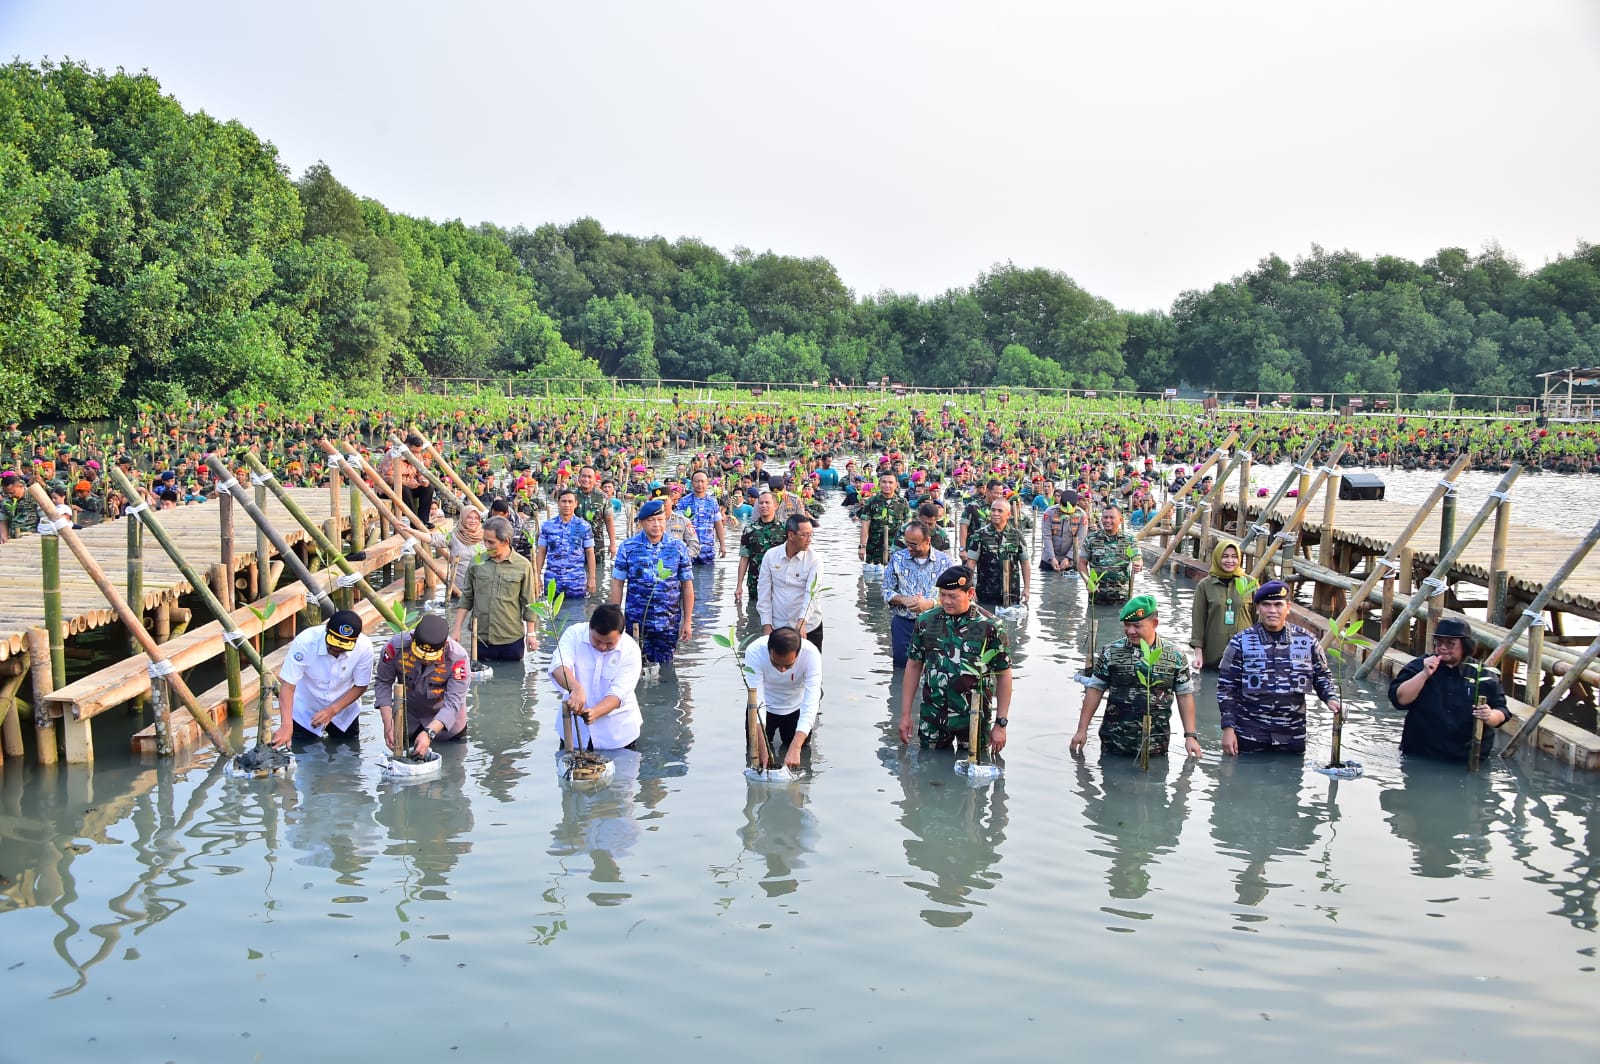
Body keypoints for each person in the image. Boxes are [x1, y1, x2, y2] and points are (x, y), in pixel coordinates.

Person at [897, 565, 1014, 755]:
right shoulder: (926, 621)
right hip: (932, 716)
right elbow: (913, 666)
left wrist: (1001, 723)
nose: (946, 601)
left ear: (970, 593)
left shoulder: (989, 626)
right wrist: (905, 715)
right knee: (929, 767)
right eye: (942, 595)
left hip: (973, 719)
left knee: (975, 773)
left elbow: (1004, 675)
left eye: (953, 596)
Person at [1216, 580, 1339, 755]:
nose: (1272, 610)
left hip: (1292, 733)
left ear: (1288, 607)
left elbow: (1321, 676)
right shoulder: (1240, 642)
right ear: (1257, 608)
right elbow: (1226, 687)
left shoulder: (1306, 641)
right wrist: (1228, 728)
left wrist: (1331, 699)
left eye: (1278, 605)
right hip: (1250, 732)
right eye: (1266, 605)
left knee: (1291, 779)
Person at [1071, 596, 1203, 759]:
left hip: (1156, 745)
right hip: (1114, 742)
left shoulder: (1174, 656)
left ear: (1154, 624)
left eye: (1137, 626)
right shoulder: (1111, 652)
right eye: (1127, 625)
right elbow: (1095, 691)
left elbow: (1184, 696)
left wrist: (1190, 736)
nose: (1130, 631)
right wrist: (1081, 730)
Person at [1388, 616, 1512, 762]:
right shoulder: (1419, 666)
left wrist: (1490, 716)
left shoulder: (1482, 674)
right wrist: (1424, 675)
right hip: (1420, 754)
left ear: (1465, 646)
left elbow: (1502, 711)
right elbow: (1399, 699)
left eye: (1450, 643)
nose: (1443, 647)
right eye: (1438, 642)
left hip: (1465, 757)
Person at [609, 498, 695, 665]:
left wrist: (688, 621)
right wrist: (615, 619)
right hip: (636, 621)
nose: (657, 525)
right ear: (641, 523)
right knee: (634, 666)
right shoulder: (628, 547)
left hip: (668, 621)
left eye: (660, 520)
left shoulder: (678, 547)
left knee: (666, 666)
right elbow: (618, 584)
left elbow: (687, 585)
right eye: (651, 520)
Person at [548, 603, 643, 751]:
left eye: (609, 643)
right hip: (573, 733)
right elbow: (558, 666)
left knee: (619, 773)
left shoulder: (631, 651)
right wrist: (575, 687)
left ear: (621, 634)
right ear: (590, 628)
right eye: (597, 641)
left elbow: (618, 694)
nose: (602, 647)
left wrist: (594, 712)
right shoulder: (574, 634)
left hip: (617, 735)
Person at [373, 613, 470, 757]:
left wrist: (429, 733)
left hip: (446, 729)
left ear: (445, 645)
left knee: (450, 772)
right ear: (412, 639)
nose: (426, 661)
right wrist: (388, 724)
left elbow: (453, 703)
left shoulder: (457, 658)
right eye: (419, 654)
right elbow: (383, 682)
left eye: (432, 657)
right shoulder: (396, 647)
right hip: (409, 724)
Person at [273, 609, 374, 745]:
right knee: (304, 757)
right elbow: (288, 685)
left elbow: (361, 685)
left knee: (349, 759)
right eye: (333, 643)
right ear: (326, 630)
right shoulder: (305, 642)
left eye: (343, 645)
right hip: (306, 711)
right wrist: (286, 724)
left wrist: (333, 710)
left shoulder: (365, 647)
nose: (337, 648)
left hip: (344, 711)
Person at [451, 516, 540, 661]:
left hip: (511, 638)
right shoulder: (476, 563)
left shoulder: (523, 565)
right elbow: (467, 597)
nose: (486, 545)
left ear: (505, 541)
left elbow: (529, 603)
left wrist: (531, 634)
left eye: (491, 542)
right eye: (484, 541)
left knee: (513, 680)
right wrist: (456, 629)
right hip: (480, 638)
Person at [744, 626, 823, 770]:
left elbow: (811, 702)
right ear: (768, 651)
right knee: (756, 757)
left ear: (798, 655)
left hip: (795, 707)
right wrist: (762, 746)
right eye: (775, 663)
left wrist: (796, 746)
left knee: (800, 755)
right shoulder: (754, 651)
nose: (781, 670)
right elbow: (757, 699)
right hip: (764, 708)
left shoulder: (811, 654)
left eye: (788, 665)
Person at [882, 521, 957, 669]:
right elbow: (886, 591)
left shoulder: (945, 562)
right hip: (904, 623)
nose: (909, 548)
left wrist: (930, 604)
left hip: (937, 624)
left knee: (936, 668)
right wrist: (904, 600)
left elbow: (956, 597)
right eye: (907, 543)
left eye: (914, 544)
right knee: (902, 668)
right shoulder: (897, 559)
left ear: (927, 541)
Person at [758, 513, 824, 649]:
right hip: (778, 626)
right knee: (780, 668)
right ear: (791, 535)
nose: (809, 539)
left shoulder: (814, 560)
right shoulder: (771, 556)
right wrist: (766, 624)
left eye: (811, 534)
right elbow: (764, 591)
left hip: (808, 626)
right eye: (805, 535)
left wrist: (802, 622)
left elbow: (812, 594)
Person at [1189, 541, 1255, 669]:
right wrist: (1198, 653)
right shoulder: (1205, 585)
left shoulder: (1249, 583)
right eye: (1225, 556)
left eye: (1234, 556)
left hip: (1245, 656)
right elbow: (1198, 620)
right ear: (1217, 557)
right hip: (1213, 656)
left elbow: (1258, 618)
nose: (1230, 560)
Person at [964, 498, 1029, 608]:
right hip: (986, 593)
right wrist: (970, 588)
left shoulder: (1016, 535)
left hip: (1011, 593)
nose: (995, 513)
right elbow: (970, 564)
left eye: (1000, 511)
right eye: (993, 510)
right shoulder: (979, 535)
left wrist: (1027, 588)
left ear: (1008, 515)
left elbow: (1025, 563)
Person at [535, 487, 597, 599]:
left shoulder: (584, 526)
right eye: (563, 501)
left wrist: (592, 578)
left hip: (576, 581)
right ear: (558, 503)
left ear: (576, 504)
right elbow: (541, 552)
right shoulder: (547, 526)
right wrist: (537, 575)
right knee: (552, 613)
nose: (567, 505)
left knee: (577, 613)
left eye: (570, 502)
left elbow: (590, 553)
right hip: (552, 580)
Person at [1078, 503, 1142, 605]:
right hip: (1097, 596)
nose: (1108, 520)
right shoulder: (1091, 539)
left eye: (1112, 517)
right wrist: (1088, 582)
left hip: (1122, 597)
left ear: (1120, 520)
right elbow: (1081, 563)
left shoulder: (1129, 539)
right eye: (1105, 517)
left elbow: (1137, 557)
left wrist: (1138, 564)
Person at [735, 490, 785, 606]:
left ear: (776, 506)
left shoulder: (785, 529)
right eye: (761, 503)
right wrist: (739, 586)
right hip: (755, 583)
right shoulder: (749, 530)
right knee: (753, 616)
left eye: (767, 503)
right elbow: (744, 558)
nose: (763, 506)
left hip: (779, 583)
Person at [858, 473, 910, 567]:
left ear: (896, 484)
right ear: (879, 484)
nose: (887, 485)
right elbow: (865, 525)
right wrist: (862, 546)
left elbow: (908, 524)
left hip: (896, 548)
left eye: (890, 482)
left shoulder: (902, 502)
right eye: (884, 482)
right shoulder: (871, 502)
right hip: (874, 548)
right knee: (873, 578)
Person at [682, 470, 726, 565]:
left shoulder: (712, 502)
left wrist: (722, 544)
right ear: (692, 483)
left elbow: (718, 523)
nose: (699, 484)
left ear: (707, 483)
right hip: (689, 549)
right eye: (696, 481)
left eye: (702, 481)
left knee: (708, 578)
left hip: (707, 550)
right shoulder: (683, 502)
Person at [1039, 489, 1084, 573]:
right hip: (1048, 558)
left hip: (1070, 561)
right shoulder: (1049, 513)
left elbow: (1080, 539)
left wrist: (1068, 558)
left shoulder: (1082, 516)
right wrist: (1052, 558)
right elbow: (1046, 536)